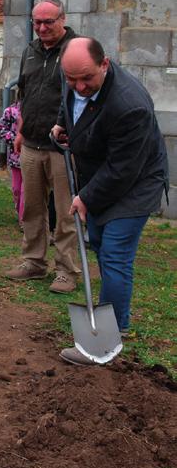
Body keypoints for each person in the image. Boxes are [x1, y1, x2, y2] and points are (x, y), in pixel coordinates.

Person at [51, 37, 169, 366]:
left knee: (115, 253)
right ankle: (119, 319)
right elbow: (71, 102)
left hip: (135, 183)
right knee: (101, 244)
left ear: (105, 64)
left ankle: (108, 336)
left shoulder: (129, 104)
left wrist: (86, 197)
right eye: (71, 78)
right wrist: (64, 125)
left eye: (86, 78)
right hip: (102, 175)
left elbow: (123, 169)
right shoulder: (75, 75)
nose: (78, 85)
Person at [4, 0, 80, 294]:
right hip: (32, 143)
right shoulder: (31, 51)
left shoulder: (77, 49)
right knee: (32, 208)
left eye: (49, 21)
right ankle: (34, 261)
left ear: (63, 19)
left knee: (65, 212)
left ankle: (66, 270)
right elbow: (24, 93)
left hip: (63, 147)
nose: (42, 27)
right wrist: (20, 132)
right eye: (37, 22)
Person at [0, 100, 24, 226]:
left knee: (26, 190)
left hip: (32, 156)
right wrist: (13, 138)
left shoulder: (36, 111)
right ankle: (19, 210)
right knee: (17, 189)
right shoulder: (10, 111)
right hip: (15, 158)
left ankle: (23, 220)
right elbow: (0, 128)